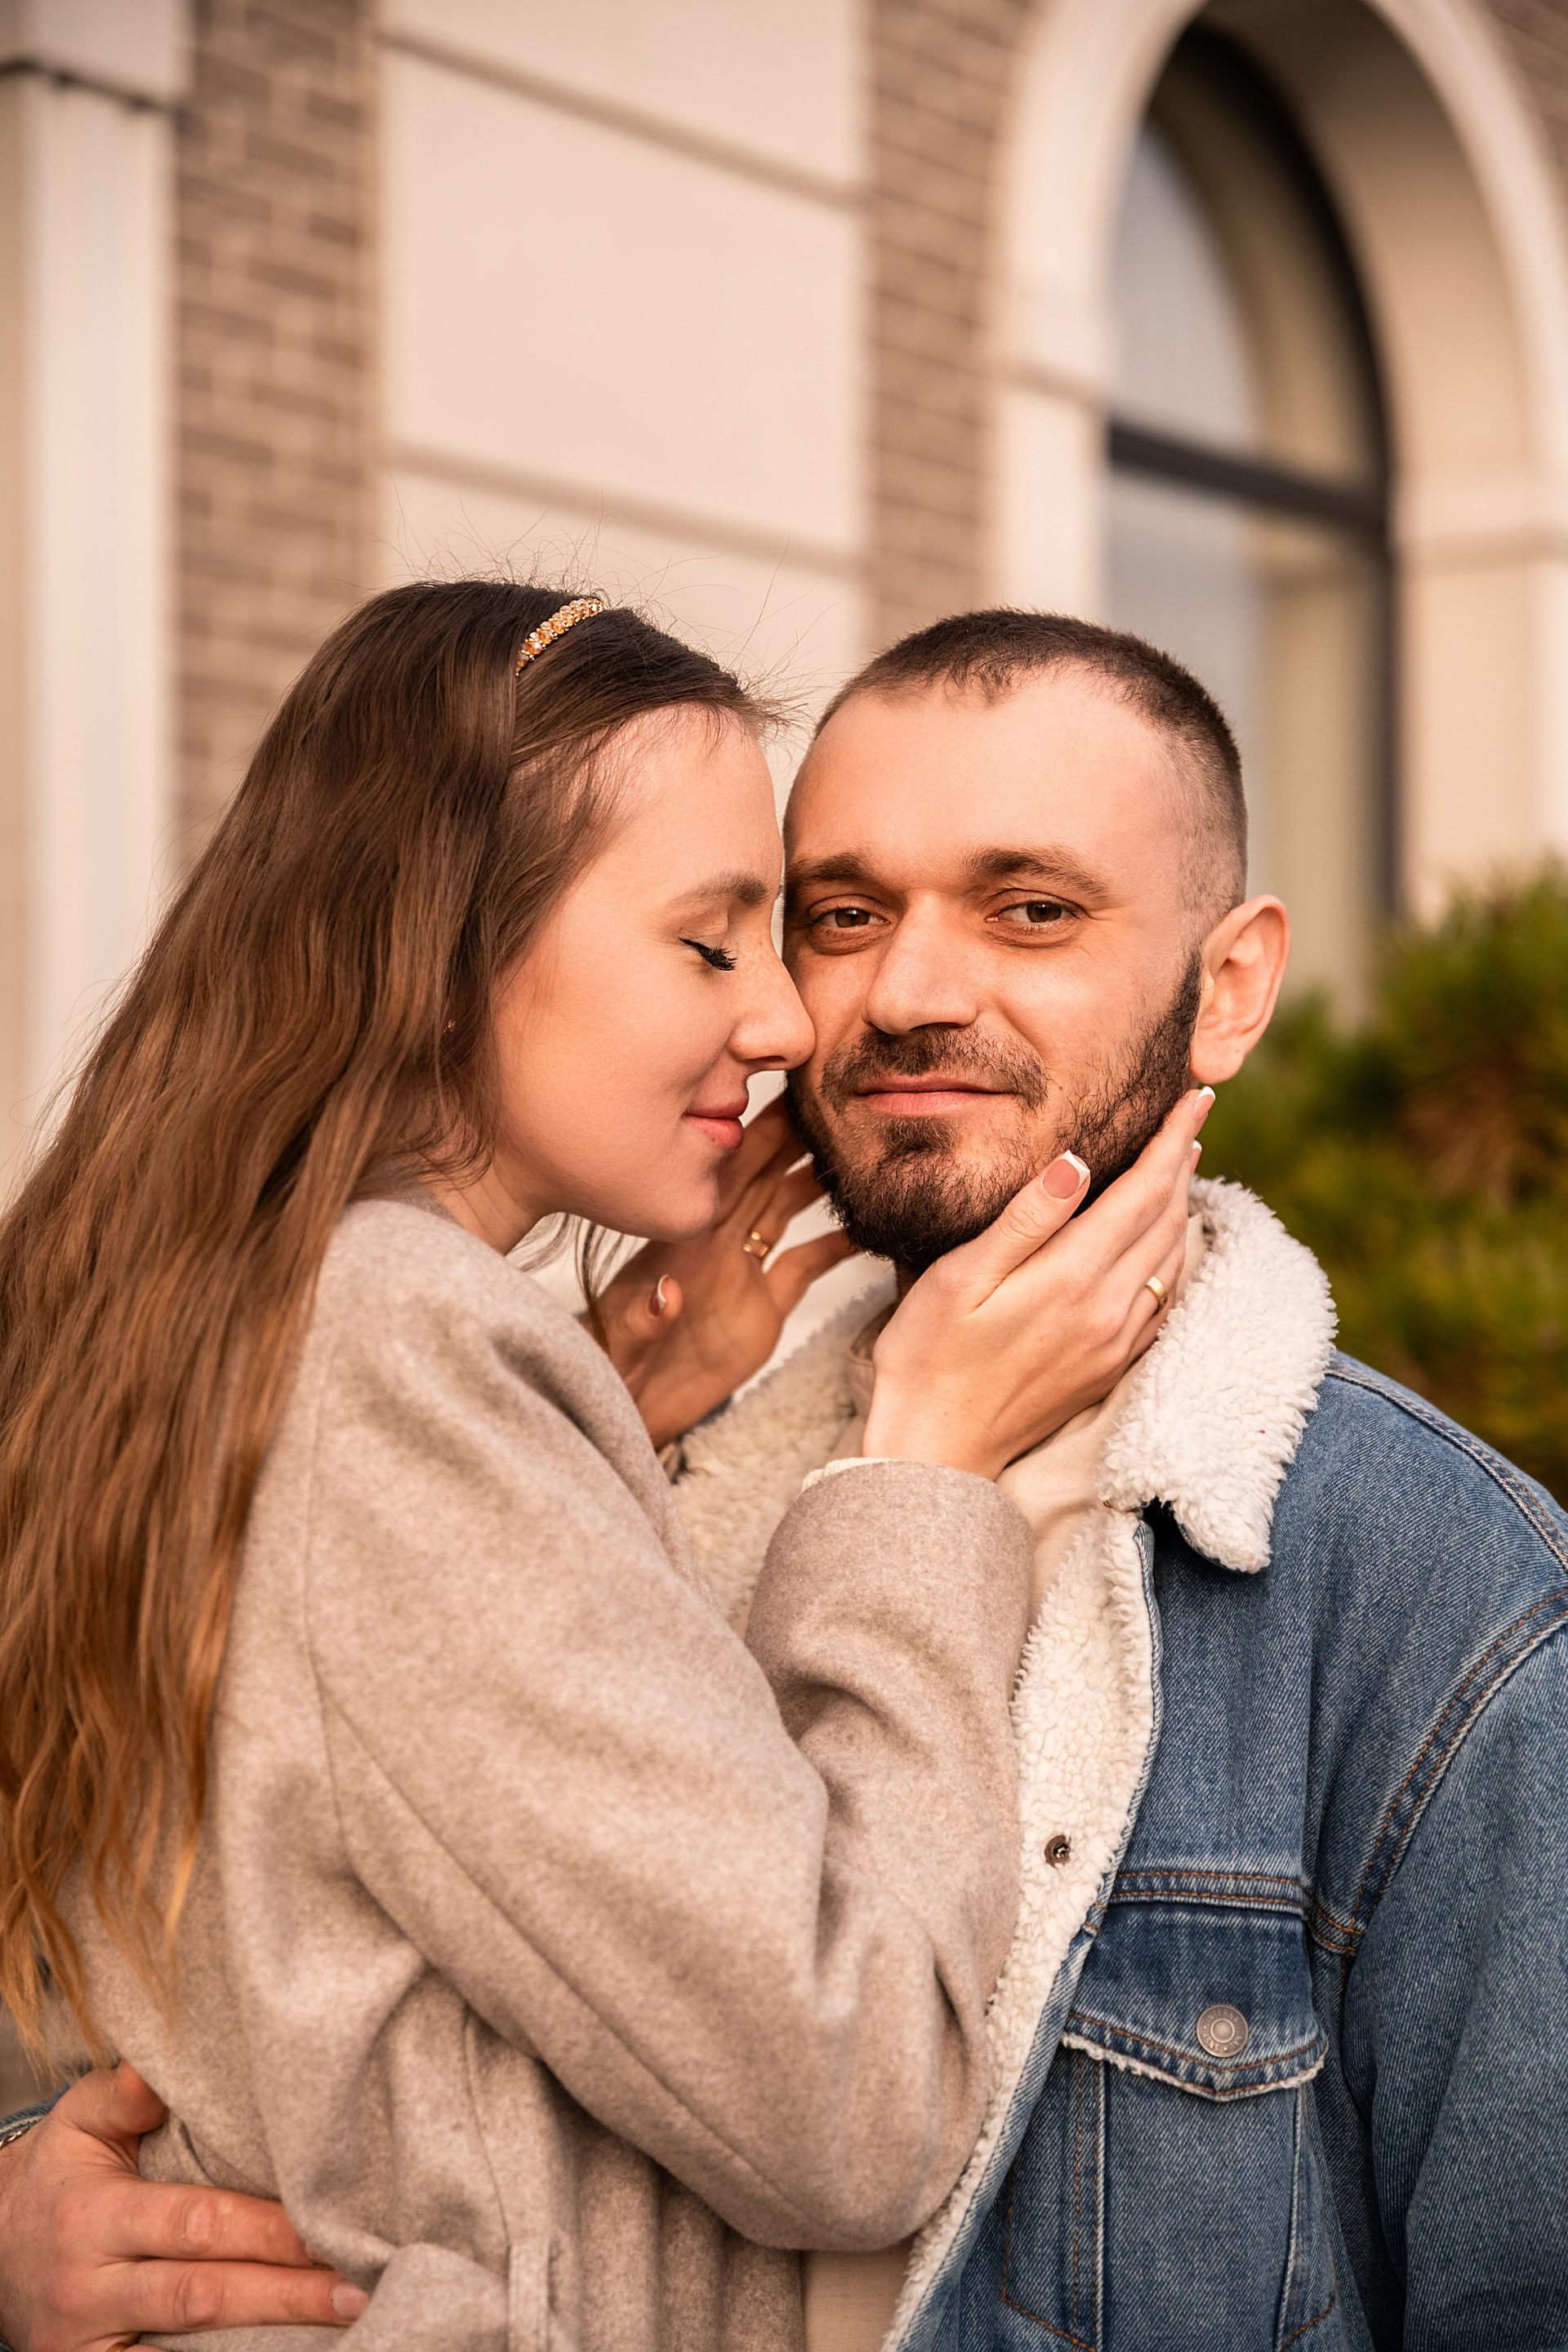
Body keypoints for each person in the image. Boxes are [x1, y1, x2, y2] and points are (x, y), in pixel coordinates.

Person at [16, 600, 1566, 2348]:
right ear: (453, 942)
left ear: (1229, 989)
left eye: (1031, 909)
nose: (871, 1002)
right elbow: (210, 1991)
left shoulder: (1439, 1593)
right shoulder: (527, 1401)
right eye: (827, 919)